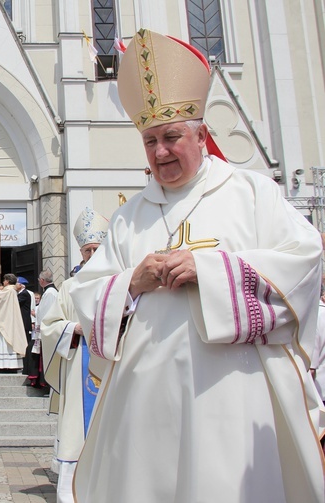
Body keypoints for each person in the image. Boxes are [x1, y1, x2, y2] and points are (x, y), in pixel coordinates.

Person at [70, 29, 325, 502]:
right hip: (145, 409)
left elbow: (305, 263)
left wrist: (210, 272)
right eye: (150, 142)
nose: (161, 152)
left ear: (202, 135)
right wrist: (132, 282)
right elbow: (84, 293)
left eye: (171, 137)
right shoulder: (129, 218)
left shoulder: (252, 194)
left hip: (235, 398)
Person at [39, 208, 108, 503]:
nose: (92, 254)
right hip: (79, 364)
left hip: (113, 365)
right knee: (77, 430)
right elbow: (49, 326)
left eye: (96, 249)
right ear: (80, 252)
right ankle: (72, 495)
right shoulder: (69, 287)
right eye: (87, 249)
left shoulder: (119, 281)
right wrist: (73, 328)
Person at [27, 270, 55, 389]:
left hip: (46, 330)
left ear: (42, 280)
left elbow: (47, 312)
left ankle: (44, 382)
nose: (38, 281)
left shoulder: (50, 293)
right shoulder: (48, 292)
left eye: (39, 280)